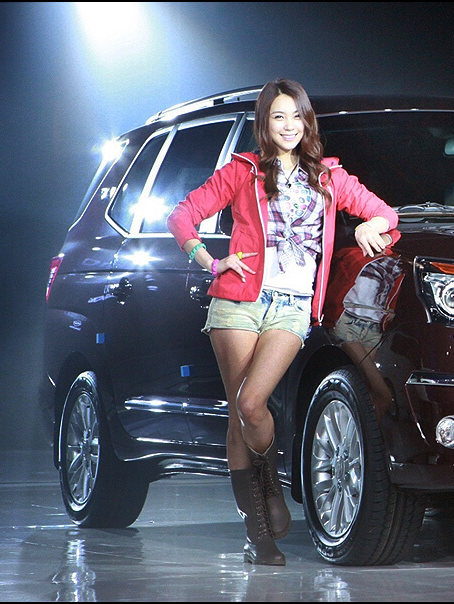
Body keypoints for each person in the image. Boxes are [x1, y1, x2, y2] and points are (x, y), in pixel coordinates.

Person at [167, 78, 399, 565]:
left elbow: (385, 213)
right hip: (239, 302)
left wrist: (369, 226)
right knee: (240, 413)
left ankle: (270, 474)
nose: (289, 125)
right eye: (278, 116)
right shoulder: (243, 171)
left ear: (307, 122)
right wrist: (210, 261)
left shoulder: (330, 177)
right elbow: (182, 215)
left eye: (297, 116)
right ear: (265, 123)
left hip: (292, 306)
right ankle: (260, 533)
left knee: (253, 402)